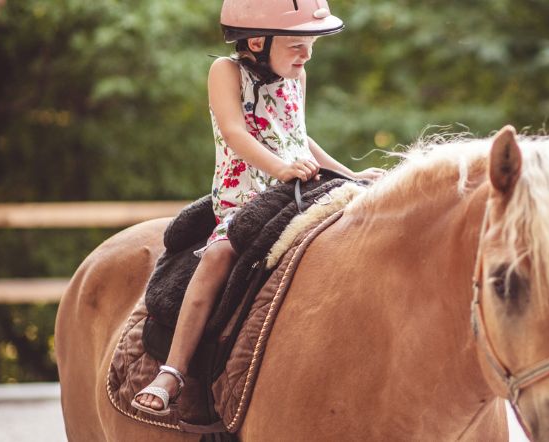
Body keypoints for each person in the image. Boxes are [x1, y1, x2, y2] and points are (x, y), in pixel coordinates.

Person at [132, 0, 383, 416]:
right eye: (296, 45)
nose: (307, 54)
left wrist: (348, 173)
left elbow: (300, 136)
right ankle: (172, 370)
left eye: (310, 45)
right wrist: (281, 168)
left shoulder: (296, 76)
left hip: (298, 186)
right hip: (247, 194)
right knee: (217, 255)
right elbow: (234, 131)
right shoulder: (226, 73)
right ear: (256, 41)